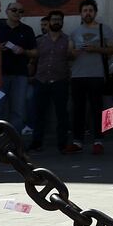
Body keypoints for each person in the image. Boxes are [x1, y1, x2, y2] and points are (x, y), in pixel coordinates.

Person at [65, 0, 113, 155]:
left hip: (97, 75)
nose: (88, 13)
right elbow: (69, 53)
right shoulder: (74, 32)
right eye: (85, 10)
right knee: (78, 110)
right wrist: (73, 53)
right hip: (77, 76)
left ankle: (98, 140)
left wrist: (96, 49)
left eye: (90, 10)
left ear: (95, 13)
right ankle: (77, 141)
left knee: (97, 109)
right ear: (81, 13)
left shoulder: (104, 29)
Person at [32, 10, 71, 152]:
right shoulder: (40, 41)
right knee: (38, 113)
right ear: (49, 22)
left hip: (60, 81)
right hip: (41, 80)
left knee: (62, 114)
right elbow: (33, 60)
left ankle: (62, 143)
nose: (56, 22)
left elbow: (71, 58)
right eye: (54, 19)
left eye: (59, 20)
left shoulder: (67, 40)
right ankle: (37, 142)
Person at [0, 0, 36, 133]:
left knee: (18, 111)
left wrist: (23, 51)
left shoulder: (27, 30)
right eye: (14, 10)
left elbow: (36, 52)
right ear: (6, 11)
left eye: (20, 11)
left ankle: (14, 144)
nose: (17, 13)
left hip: (20, 76)